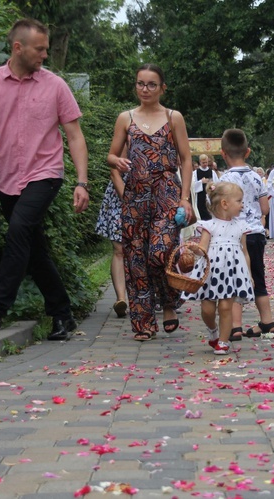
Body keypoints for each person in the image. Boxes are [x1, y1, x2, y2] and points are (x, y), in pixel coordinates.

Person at [0, 18, 89, 340]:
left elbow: (74, 136)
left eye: (46, 49)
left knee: (19, 230)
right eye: (40, 49)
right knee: (33, 249)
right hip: (7, 180)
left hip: (45, 174)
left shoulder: (55, 86)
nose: (45, 55)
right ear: (18, 47)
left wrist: (81, 181)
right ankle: (62, 314)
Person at [108, 63, 193, 341]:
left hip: (167, 191)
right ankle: (143, 324)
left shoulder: (173, 117)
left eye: (151, 84)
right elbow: (111, 157)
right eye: (140, 83)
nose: (145, 89)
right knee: (135, 260)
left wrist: (185, 199)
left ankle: (169, 302)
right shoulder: (125, 118)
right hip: (135, 195)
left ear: (162, 88)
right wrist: (120, 174)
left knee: (161, 251)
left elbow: (186, 159)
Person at [217, 129, 274, 340]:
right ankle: (267, 322)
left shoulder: (224, 180)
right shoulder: (257, 177)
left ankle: (236, 327)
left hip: (234, 236)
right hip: (256, 235)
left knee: (234, 279)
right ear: (248, 152)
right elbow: (265, 209)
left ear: (223, 153)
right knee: (258, 278)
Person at [182, 182, 254, 355]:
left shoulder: (241, 226)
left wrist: (248, 275)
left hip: (231, 274)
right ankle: (213, 329)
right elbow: (203, 249)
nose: (242, 205)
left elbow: (245, 253)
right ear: (225, 204)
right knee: (207, 309)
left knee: (225, 307)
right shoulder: (209, 226)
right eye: (239, 201)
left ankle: (223, 340)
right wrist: (194, 249)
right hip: (210, 273)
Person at [95, 178, 128, 318]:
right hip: (120, 192)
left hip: (148, 189)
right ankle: (121, 300)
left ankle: (148, 298)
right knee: (119, 250)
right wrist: (126, 196)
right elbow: (114, 167)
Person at [192, 154, 219, 221]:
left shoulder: (212, 172)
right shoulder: (195, 173)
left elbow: (217, 184)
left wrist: (213, 186)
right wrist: (201, 182)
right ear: (200, 162)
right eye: (203, 163)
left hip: (209, 196)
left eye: (206, 162)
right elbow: (192, 186)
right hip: (199, 197)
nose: (205, 164)